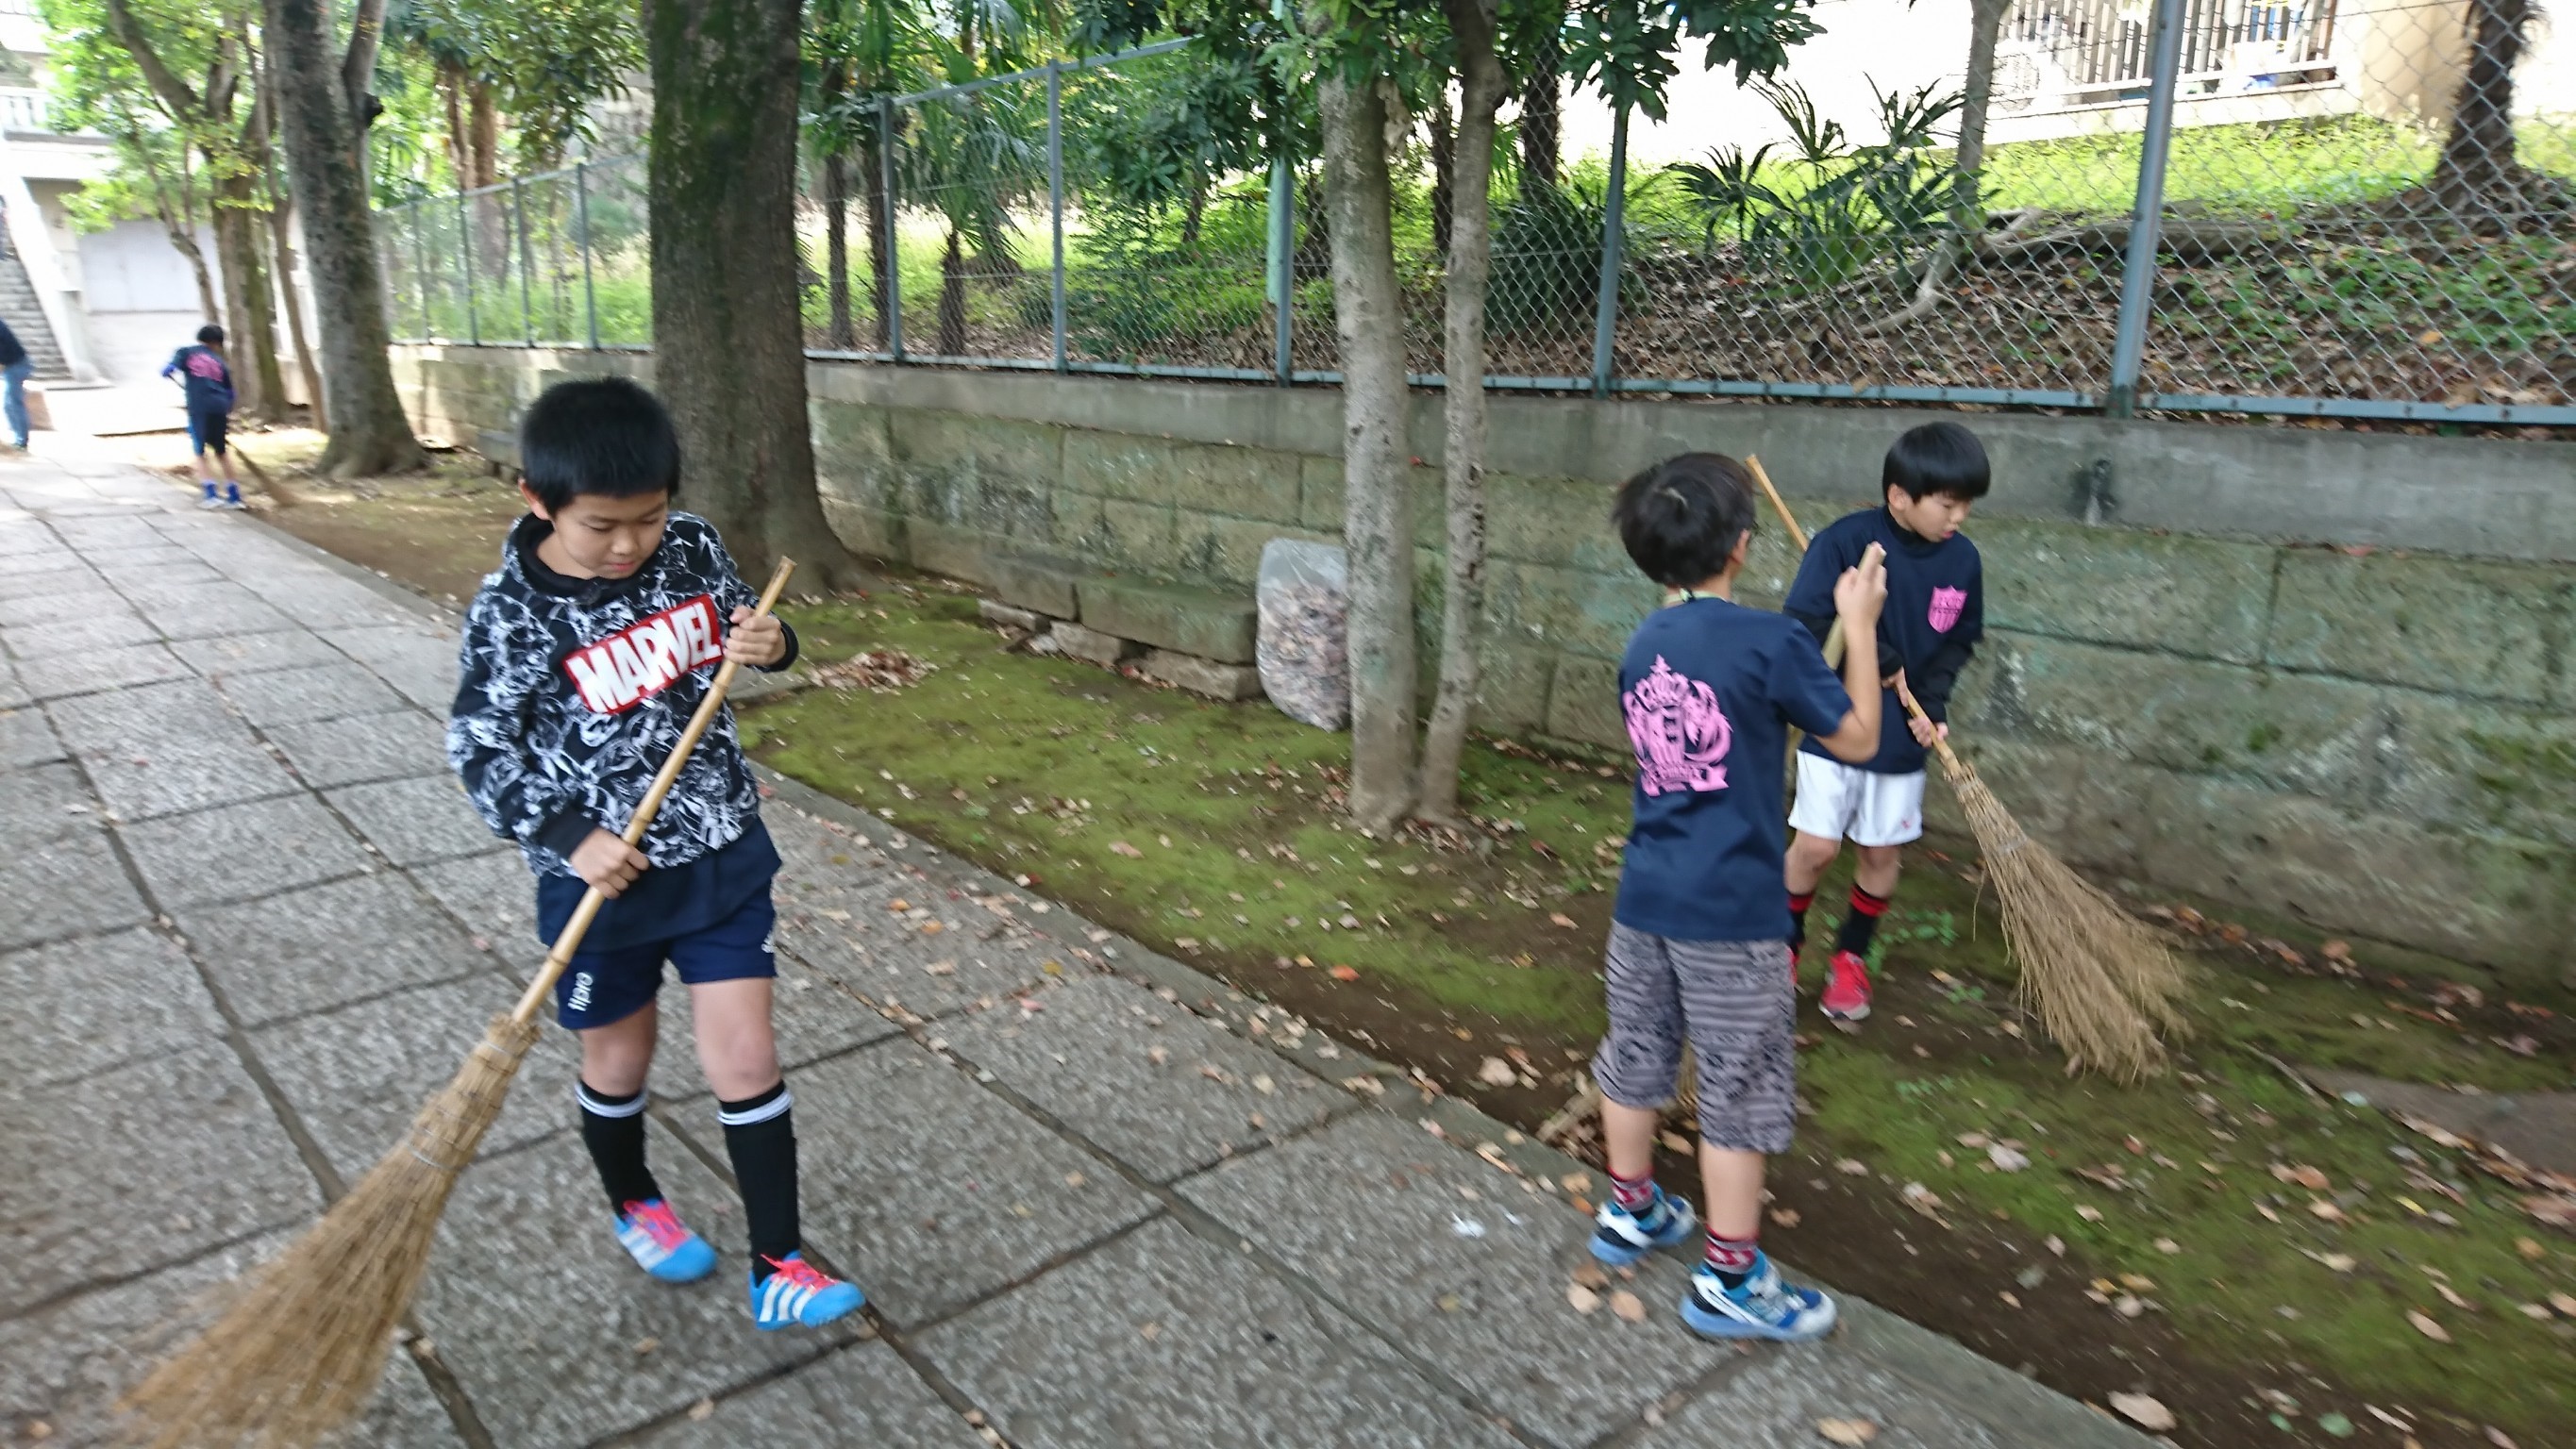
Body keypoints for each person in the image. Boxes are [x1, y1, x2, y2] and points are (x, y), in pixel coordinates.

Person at [447, 376, 863, 1330]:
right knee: (621, 1060)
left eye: (649, 516)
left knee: (747, 1058)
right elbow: (478, 748)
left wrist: (773, 642)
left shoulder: (691, 548)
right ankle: (634, 1199)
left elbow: (744, 629)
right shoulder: (512, 612)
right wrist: (569, 837)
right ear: (536, 500)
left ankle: (779, 1266)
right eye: (602, 525)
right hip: (603, 888)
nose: (630, 543)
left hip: (718, 848)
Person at [1589, 452, 1886, 1341]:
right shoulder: (1774, 643)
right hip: (1733, 914)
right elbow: (1861, 738)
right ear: (1744, 547)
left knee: (1635, 1048)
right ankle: (1729, 1278)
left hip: (1646, 896)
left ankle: (1629, 1208)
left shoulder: (1644, 643)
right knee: (1739, 1084)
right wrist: (1860, 625)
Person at [1780, 422, 1989, 1022]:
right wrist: (1879, 652)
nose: (1959, 517)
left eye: (1966, 505)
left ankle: (1851, 957)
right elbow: (1805, 624)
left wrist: (1935, 705)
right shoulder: (1844, 543)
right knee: (1816, 847)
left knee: (1879, 850)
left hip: (1904, 730)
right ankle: (1783, 946)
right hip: (1836, 721)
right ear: (1901, 496)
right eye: (1948, 504)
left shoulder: (1963, 561)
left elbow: (1959, 641)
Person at [162, 324, 243, 508]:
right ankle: (234, 496)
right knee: (221, 451)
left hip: (199, 407)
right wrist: (226, 409)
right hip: (219, 407)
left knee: (200, 452)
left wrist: (168, 370)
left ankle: (211, 495)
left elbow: (171, 367)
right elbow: (231, 392)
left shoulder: (186, 352)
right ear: (217, 343)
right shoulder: (220, 362)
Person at [0, 315, 30, 450]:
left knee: (14, 403)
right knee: (8, 405)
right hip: (10, 366)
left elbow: (5, 347)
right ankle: (18, 440)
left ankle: (21, 442)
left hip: (17, 365)